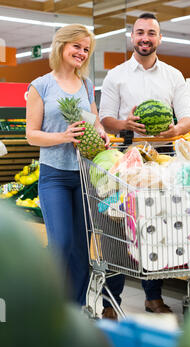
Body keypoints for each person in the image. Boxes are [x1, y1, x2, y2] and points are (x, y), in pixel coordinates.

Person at [99, 13, 190, 319]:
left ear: (159, 38)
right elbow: (105, 119)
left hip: (163, 157)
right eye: (140, 32)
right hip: (126, 156)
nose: (145, 38)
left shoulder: (173, 75)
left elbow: (188, 117)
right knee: (116, 227)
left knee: (155, 227)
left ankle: (153, 297)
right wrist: (124, 122)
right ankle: (109, 301)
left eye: (151, 33)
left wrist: (176, 131)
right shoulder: (116, 75)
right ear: (132, 37)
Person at [26, 24, 110, 306]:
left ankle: (75, 312)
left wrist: (101, 133)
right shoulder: (40, 85)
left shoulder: (87, 85)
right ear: (61, 46)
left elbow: (94, 119)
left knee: (81, 251)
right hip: (55, 176)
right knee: (60, 244)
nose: (82, 53)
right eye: (77, 46)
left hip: (85, 176)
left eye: (86, 49)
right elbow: (31, 134)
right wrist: (63, 136)